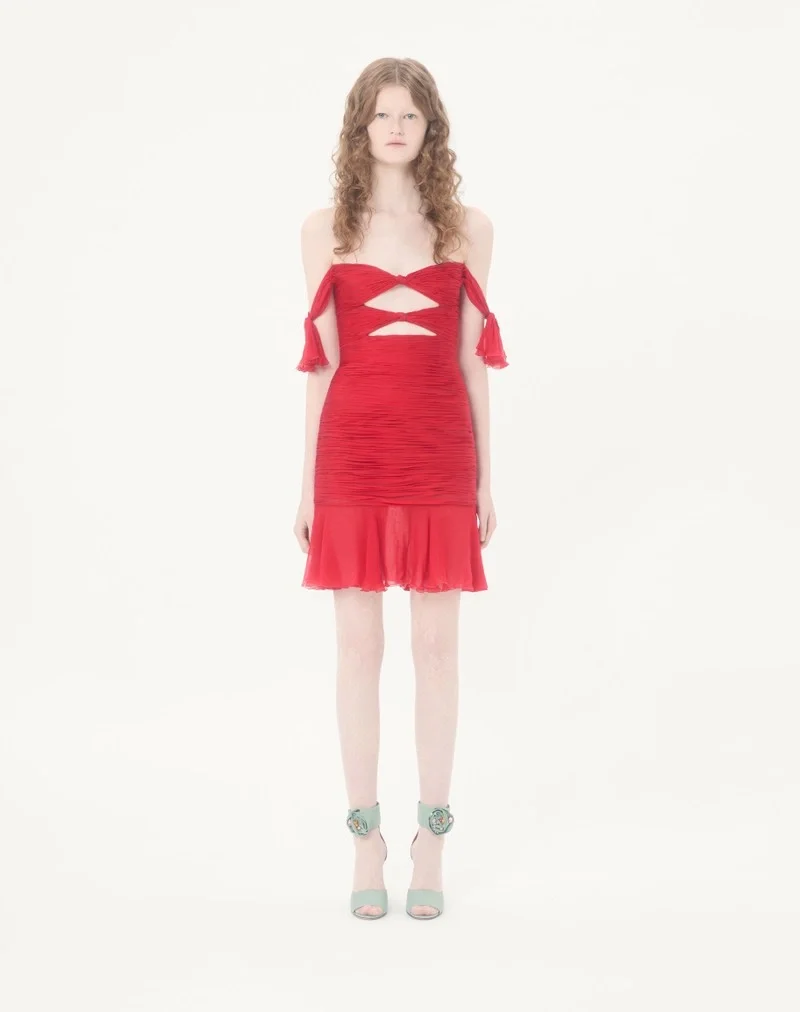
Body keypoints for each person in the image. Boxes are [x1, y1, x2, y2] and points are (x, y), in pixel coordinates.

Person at [293, 58, 509, 920]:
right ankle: (364, 842)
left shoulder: (467, 230)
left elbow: (472, 362)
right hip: (350, 456)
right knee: (358, 651)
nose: (394, 127)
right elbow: (321, 366)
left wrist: (486, 478)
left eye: (409, 115)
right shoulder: (325, 231)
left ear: (430, 129)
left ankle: (433, 840)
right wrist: (306, 488)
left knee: (436, 650)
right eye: (381, 114)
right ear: (360, 126)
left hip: (439, 455)